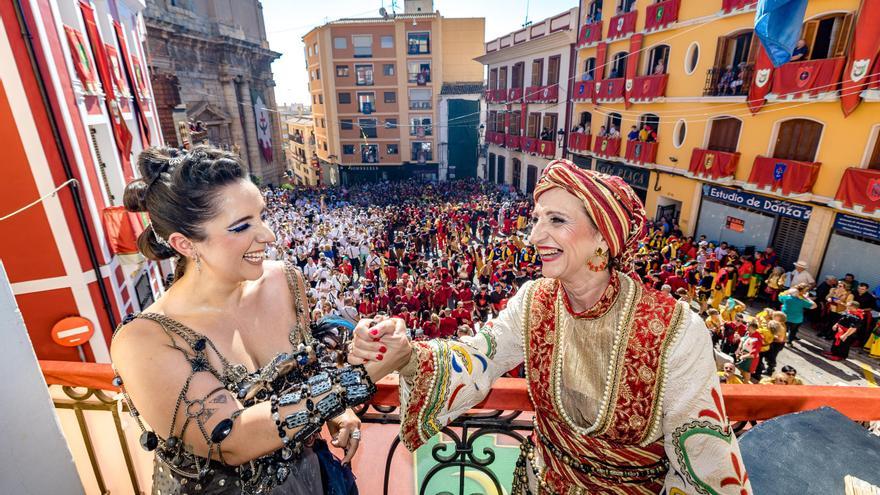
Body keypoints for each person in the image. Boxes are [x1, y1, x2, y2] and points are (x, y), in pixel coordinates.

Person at [350, 159, 751, 494]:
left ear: (603, 239)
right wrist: (407, 355)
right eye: (536, 219)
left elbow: (704, 462)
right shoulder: (535, 300)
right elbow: (480, 356)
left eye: (556, 220)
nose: (534, 235)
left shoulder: (675, 329)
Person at [111, 146, 377, 494]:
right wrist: (357, 379)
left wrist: (336, 412)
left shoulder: (285, 280)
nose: (268, 236)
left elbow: (305, 369)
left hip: (311, 480)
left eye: (262, 216)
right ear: (185, 244)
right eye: (241, 226)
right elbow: (231, 438)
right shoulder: (145, 340)